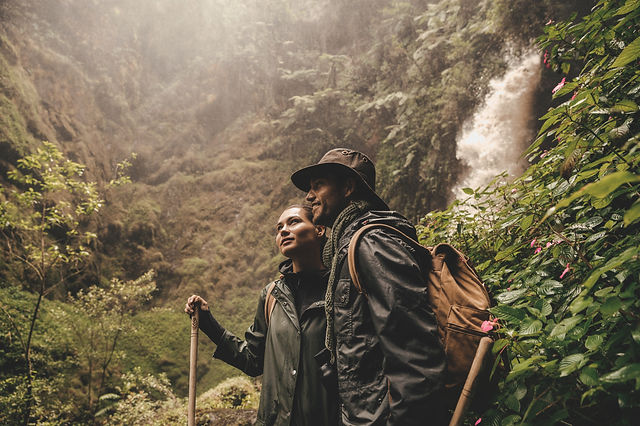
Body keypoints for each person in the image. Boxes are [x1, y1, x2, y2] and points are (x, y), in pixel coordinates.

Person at [290, 148, 446, 425]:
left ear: (348, 187)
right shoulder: (349, 247)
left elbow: (413, 348)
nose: (309, 196)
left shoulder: (372, 243)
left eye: (318, 186)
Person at [185, 205, 337, 426]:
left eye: (293, 222)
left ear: (319, 229)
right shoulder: (272, 295)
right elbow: (253, 361)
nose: (283, 231)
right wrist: (207, 322)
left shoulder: (340, 290)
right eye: (279, 228)